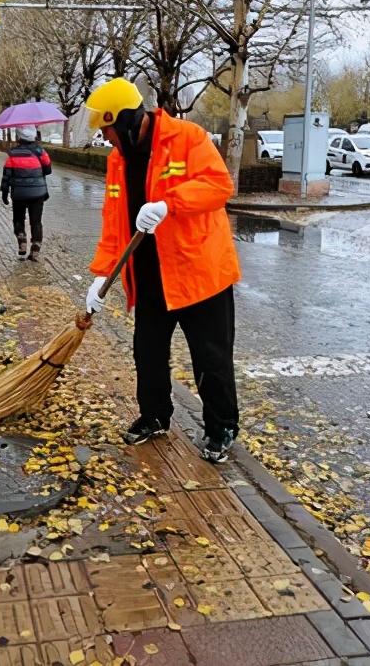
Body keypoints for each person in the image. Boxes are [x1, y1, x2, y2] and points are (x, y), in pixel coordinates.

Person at [82, 78, 241, 463]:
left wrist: (170, 204)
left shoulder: (188, 137)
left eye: (106, 129)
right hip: (151, 277)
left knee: (210, 357)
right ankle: (154, 416)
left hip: (200, 275)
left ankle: (222, 426)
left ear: (122, 121)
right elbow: (114, 223)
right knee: (147, 353)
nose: (104, 138)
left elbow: (220, 186)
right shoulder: (117, 161)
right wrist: (102, 274)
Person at [1, 124, 52, 261]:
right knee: (36, 221)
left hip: (19, 194)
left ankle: (22, 239)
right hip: (38, 193)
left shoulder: (12, 154)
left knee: (18, 219)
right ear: (34, 136)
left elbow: (7, 175)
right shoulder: (40, 152)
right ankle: (35, 248)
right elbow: (48, 169)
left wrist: (4, 192)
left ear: (19, 137)